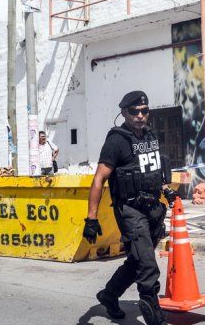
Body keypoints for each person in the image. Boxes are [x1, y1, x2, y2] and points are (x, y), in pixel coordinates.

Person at [82, 91, 178, 325]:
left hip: (154, 208)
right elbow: (98, 179)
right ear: (123, 112)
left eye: (144, 111)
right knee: (147, 262)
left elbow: (153, 170)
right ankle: (154, 314)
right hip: (130, 210)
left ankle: (109, 295)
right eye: (134, 111)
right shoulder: (117, 140)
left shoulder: (150, 136)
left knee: (136, 260)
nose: (140, 116)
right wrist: (91, 219)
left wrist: (166, 189)